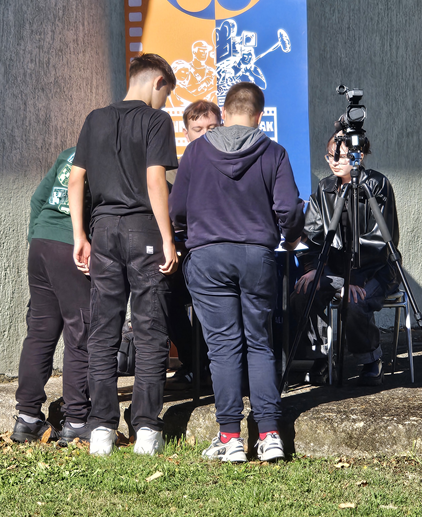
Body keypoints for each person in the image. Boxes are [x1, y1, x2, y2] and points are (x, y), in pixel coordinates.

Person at [169, 82, 304, 462]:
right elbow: (289, 208)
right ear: (259, 116)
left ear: (224, 114)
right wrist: (291, 237)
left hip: (208, 256)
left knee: (223, 346)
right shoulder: (274, 152)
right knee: (259, 343)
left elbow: (177, 208)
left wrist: (186, 234)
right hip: (257, 255)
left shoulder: (196, 151)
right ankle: (270, 435)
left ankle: (230, 438)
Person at [68, 53, 178, 457]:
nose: (165, 102)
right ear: (158, 82)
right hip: (143, 228)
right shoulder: (156, 121)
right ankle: (146, 429)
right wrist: (167, 237)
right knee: (150, 330)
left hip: (102, 229)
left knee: (103, 329)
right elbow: (155, 180)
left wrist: (80, 235)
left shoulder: (95, 119)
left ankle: (101, 428)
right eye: (167, 93)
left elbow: (76, 180)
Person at [292, 132, 399, 386]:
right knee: (303, 294)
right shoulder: (325, 187)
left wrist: (356, 279)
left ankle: (371, 360)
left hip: (375, 270)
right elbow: (312, 235)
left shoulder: (377, 184)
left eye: (340, 156)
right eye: (330, 156)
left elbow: (381, 241)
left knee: (354, 301)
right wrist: (314, 269)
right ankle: (320, 357)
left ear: (358, 155)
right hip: (336, 269)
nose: (334, 162)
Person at [11, 148, 92, 445]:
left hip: (41, 244)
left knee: (40, 333)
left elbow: (38, 199)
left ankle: (28, 419)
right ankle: (77, 421)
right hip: (72, 247)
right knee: (80, 332)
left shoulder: (69, 153)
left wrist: (37, 238)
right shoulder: (104, 154)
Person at [165, 100, 222, 389]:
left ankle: (218, 368)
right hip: (183, 253)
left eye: (212, 127)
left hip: (220, 256)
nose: (205, 134)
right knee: (164, 299)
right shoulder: (170, 172)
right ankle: (193, 363)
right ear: (186, 133)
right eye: (197, 129)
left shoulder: (233, 163)